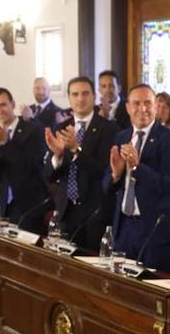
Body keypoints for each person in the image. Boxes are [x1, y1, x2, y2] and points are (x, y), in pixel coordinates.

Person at [107, 84, 170, 271]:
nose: (142, 109)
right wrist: (116, 174)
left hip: (154, 230)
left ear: (155, 106)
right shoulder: (121, 137)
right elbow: (106, 186)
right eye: (136, 103)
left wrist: (137, 167)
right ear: (127, 107)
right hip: (124, 226)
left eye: (148, 103)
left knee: (150, 289)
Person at [44, 76, 117, 251]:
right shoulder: (61, 127)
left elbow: (105, 171)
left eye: (85, 93)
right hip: (65, 211)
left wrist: (77, 151)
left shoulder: (109, 128)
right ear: (69, 98)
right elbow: (49, 175)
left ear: (94, 96)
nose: (80, 99)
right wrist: (57, 156)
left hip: (95, 212)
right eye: (75, 94)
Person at [0, 87, 50, 234]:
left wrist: (6, 143)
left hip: (30, 206)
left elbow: (31, 167)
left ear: (12, 104)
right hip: (5, 205)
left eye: (3, 105)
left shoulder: (33, 130)